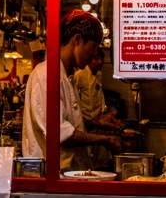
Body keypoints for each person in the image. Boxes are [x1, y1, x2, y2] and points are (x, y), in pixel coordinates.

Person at [22, 10, 121, 171]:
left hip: (67, 174)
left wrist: (95, 123)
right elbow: (60, 133)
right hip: (50, 177)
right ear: (77, 40)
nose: (94, 54)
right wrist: (105, 139)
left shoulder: (67, 76)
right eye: (93, 46)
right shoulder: (47, 74)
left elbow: (64, 120)